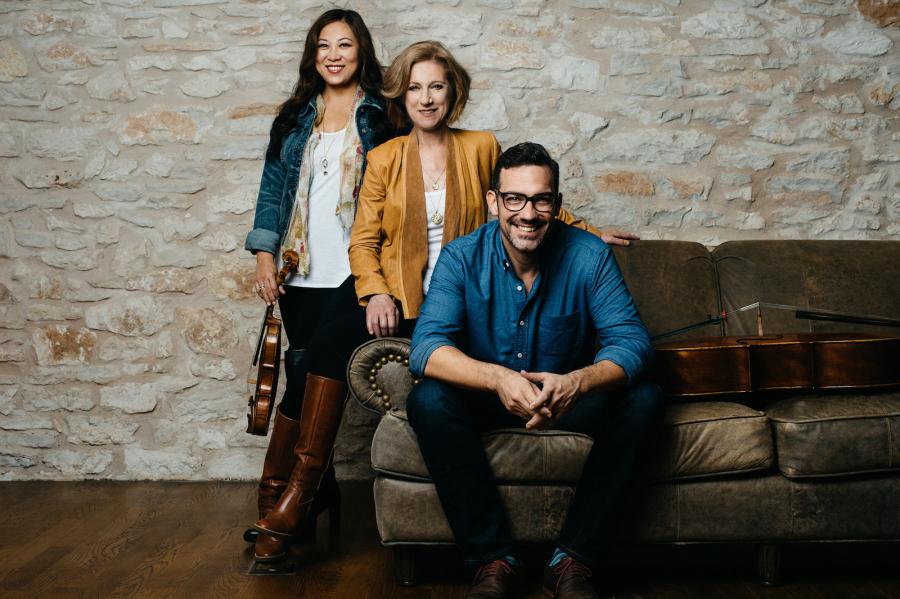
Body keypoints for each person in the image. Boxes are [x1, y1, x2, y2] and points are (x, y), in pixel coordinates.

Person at [406, 142, 663, 599]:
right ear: (494, 202)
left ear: (557, 205)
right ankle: (493, 560)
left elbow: (633, 344)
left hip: (566, 400)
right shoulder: (461, 257)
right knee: (427, 399)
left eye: (541, 200)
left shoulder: (589, 256)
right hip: (488, 400)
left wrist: (576, 383)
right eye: (515, 199)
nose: (528, 213)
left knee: (644, 396)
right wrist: (498, 378)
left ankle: (572, 560)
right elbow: (426, 349)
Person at [349, 40, 638, 335]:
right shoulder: (383, 158)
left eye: (436, 86)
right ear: (402, 94)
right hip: (401, 302)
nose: (426, 99)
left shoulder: (481, 146)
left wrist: (592, 233)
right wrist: (376, 293)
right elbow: (363, 242)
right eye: (414, 88)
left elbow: (522, 197)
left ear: (452, 91)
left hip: (470, 294)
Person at [244, 8, 394, 564]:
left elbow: (431, 182)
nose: (333, 54)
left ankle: (283, 500)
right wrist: (264, 259)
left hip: (358, 271)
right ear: (314, 55)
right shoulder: (293, 118)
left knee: (310, 377)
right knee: (298, 380)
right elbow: (270, 192)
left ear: (362, 53)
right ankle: (305, 501)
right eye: (323, 45)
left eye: (345, 45)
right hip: (299, 269)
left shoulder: (384, 115)